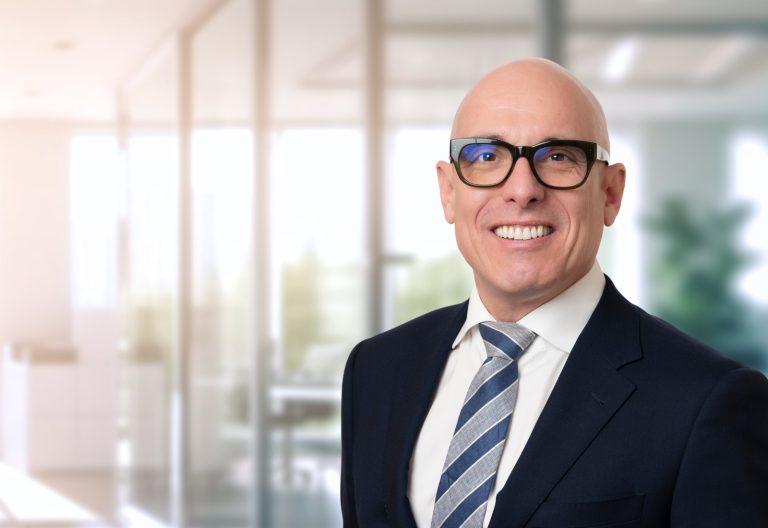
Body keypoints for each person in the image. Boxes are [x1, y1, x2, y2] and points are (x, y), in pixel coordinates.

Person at [340, 58, 768, 528]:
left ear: (610, 193)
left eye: (559, 157)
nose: (522, 190)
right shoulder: (376, 370)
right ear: (448, 191)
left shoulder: (707, 400)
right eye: (486, 156)